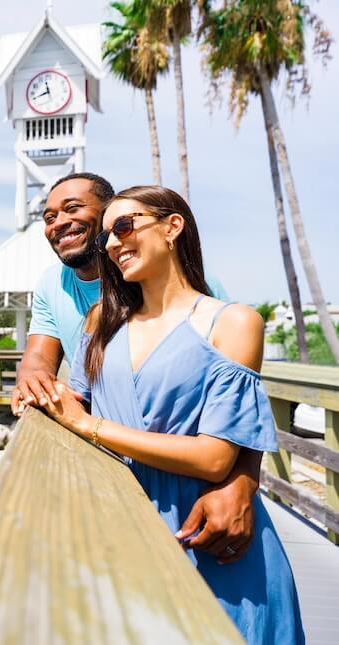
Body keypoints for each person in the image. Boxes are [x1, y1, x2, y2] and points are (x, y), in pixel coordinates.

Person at [39, 185, 302, 643]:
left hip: (207, 535)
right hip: (120, 527)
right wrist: (38, 394)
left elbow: (216, 457)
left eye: (125, 226)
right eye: (106, 238)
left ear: (172, 226)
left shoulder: (233, 321)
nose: (115, 244)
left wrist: (90, 426)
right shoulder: (102, 320)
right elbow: (73, 399)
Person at [12, 173, 260, 564]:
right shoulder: (83, 306)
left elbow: (240, 400)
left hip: (193, 498)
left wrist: (242, 482)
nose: (58, 222)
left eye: (74, 209)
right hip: (118, 496)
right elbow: (40, 360)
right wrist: (34, 384)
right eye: (48, 216)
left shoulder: (208, 301)